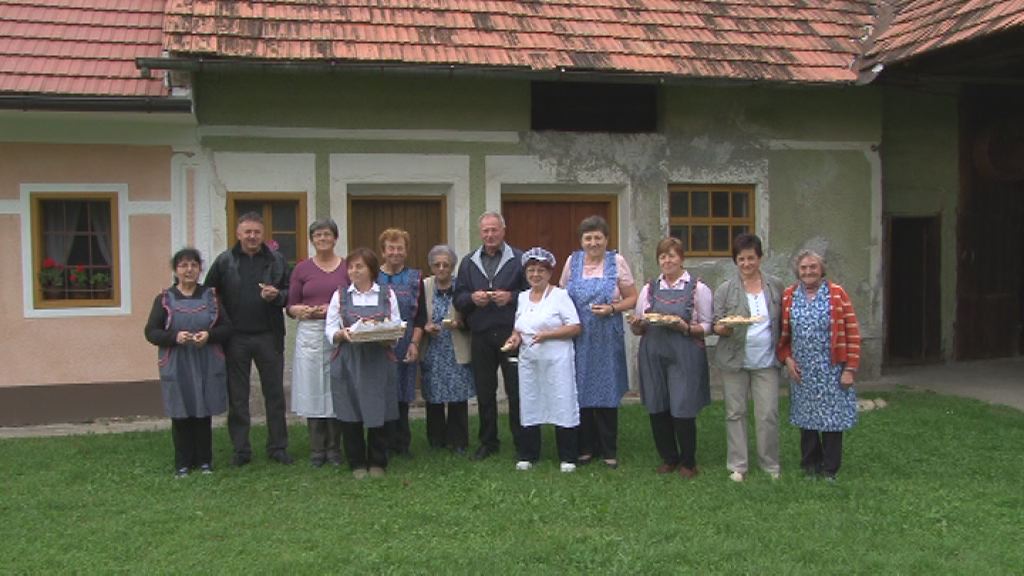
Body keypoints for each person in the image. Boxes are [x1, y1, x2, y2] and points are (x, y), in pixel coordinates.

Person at [205, 212, 292, 466]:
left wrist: (276, 296)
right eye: (247, 232)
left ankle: (278, 447)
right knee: (238, 397)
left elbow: (290, 294)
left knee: (274, 394)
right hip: (235, 337)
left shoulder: (276, 260)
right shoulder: (224, 261)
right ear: (238, 233)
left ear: (263, 234)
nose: (252, 236)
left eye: (256, 232)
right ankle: (241, 450)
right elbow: (210, 294)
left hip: (269, 336)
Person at [629, 237, 712, 479]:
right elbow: (640, 327)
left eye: (672, 255)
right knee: (657, 404)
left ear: (681, 258)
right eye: (663, 256)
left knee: (682, 406)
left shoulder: (698, 288)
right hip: (653, 352)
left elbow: (708, 325)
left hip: (684, 352)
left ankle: (688, 461)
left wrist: (685, 327)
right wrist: (636, 324)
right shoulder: (649, 289)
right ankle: (668, 457)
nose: (667, 260)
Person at [144, 248, 231, 477]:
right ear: (176, 270)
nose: (189, 270)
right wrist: (174, 337)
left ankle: (205, 461)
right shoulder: (164, 299)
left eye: (193, 265)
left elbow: (227, 328)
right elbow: (151, 332)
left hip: (206, 360)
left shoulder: (212, 297)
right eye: (183, 265)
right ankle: (182, 462)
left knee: (203, 410)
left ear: (200, 269)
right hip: (177, 361)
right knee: (181, 411)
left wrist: (209, 336)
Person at [559, 215, 637, 469]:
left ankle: (609, 449)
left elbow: (632, 298)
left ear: (606, 239)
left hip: (605, 336)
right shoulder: (573, 261)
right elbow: (561, 296)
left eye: (598, 238)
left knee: (606, 390)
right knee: (580, 390)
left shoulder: (617, 262)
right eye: (588, 238)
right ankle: (585, 447)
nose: (593, 243)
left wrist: (613, 309)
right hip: (579, 336)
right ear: (581, 241)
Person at [776, 250, 861, 481]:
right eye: (803, 268)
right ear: (797, 272)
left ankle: (830, 469)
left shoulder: (837, 294)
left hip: (831, 369)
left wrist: (850, 369)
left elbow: (852, 332)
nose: (808, 272)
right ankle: (810, 465)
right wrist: (787, 359)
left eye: (813, 267)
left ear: (822, 270)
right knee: (807, 419)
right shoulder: (789, 295)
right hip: (802, 369)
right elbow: (783, 337)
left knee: (833, 420)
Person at [453, 211, 529, 461]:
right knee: (485, 391)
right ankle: (488, 441)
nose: (490, 235)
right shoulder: (468, 262)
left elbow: (533, 295)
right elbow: (459, 298)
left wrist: (512, 297)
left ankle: (522, 442)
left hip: (512, 335)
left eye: (494, 230)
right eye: (485, 231)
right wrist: (472, 299)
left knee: (516, 390)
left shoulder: (519, 259)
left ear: (503, 231)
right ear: (480, 233)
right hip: (481, 334)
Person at [712, 233, 783, 482]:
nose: (746, 263)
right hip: (735, 361)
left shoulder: (775, 286)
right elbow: (716, 323)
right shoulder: (725, 289)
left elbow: (782, 322)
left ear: (760, 258)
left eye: (751, 258)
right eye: (741, 259)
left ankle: (770, 464)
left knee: (768, 413)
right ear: (736, 261)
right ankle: (738, 465)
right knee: (735, 412)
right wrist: (724, 327)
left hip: (766, 361)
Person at [326, 247, 401, 479]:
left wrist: (387, 334)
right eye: (350, 267)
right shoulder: (340, 295)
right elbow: (329, 328)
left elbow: (396, 325)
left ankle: (377, 461)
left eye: (359, 266)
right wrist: (341, 334)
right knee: (350, 411)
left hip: (378, 359)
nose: (353, 271)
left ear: (371, 269)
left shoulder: (387, 294)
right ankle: (357, 462)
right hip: (349, 360)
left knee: (379, 409)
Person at [505, 248, 582, 472]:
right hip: (530, 360)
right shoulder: (522, 297)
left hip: (557, 360)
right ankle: (529, 453)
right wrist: (514, 338)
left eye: (540, 270)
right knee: (530, 401)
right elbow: (520, 327)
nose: (535, 275)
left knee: (562, 401)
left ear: (549, 273)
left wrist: (548, 335)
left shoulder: (560, 296)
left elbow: (575, 327)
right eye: (531, 270)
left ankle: (568, 456)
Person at [286, 219, 349, 467]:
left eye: (327, 235)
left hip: (336, 331)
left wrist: (333, 309)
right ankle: (316, 449)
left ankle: (334, 449)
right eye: (317, 235)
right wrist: (300, 309)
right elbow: (290, 305)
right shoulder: (302, 269)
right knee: (313, 388)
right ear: (311, 239)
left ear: (335, 238)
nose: (322, 239)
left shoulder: (346, 267)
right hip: (310, 333)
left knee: (336, 388)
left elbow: (353, 299)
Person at [417, 245, 475, 453]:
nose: (442, 268)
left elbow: (471, 314)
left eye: (446, 264)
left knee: (458, 396)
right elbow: (418, 315)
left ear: (452, 266)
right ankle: (436, 440)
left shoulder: (462, 286)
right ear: (431, 266)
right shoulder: (423, 286)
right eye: (437, 264)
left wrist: (460, 324)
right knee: (433, 396)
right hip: (433, 349)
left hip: (456, 347)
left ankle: (458, 441)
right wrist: (425, 327)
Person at [377, 228, 424, 458]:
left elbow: (420, 317)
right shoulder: (373, 277)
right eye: (391, 248)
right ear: (383, 252)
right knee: (383, 393)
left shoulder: (415, 278)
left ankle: (402, 444)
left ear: (406, 251)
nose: (395, 253)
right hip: (379, 343)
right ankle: (382, 442)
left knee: (403, 394)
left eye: (400, 248)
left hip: (405, 342)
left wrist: (414, 344)